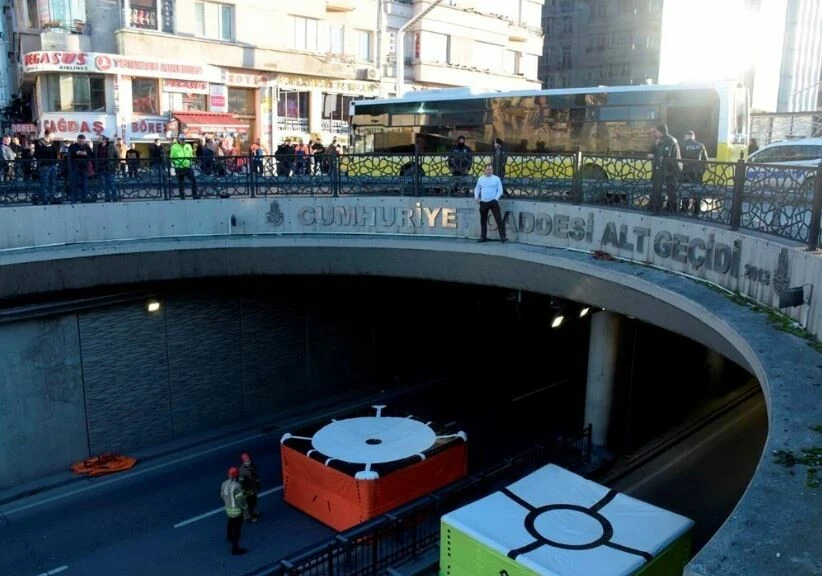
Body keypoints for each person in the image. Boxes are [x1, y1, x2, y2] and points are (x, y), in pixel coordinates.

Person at [474, 164, 507, 243]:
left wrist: (496, 199)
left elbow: (500, 190)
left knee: (498, 219)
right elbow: (477, 189)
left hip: (493, 202)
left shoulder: (496, 179)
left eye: (491, 169)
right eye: (488, 169)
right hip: (483, 202)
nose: (490, 171)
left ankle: (503, 237)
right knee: (483, 220)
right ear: (484, 170)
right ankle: (483, 237)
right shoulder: (481, 179)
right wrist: (476, 197)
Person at [221, 467, 248, 555]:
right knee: (237, 530)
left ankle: (229, 537)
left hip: (228, 509)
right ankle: (235, 549)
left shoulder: (224, 484)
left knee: (230, 523)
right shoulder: (237, 486)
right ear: (236, 476)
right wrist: (245, 508)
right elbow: (240, 500)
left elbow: (222, 495)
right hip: (236, 511)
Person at [170, 133, 198, 199]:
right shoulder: (174, 146)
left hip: (188, 166)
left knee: (193, 180)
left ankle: (195, 195)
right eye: (181, 139)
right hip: (179, 167)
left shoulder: (188, 146)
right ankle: (182, 196)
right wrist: (174, 164)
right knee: (181, 182)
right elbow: (171, 157)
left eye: (184, 139)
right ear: (178, 139)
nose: (183, 140)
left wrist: (191, 161)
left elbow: (191, 155)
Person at [34, 130, 59, 204]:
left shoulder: (51, 143)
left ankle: (52, 197)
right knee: (45, 182)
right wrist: (43, 163)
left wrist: (56, 162)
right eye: (53, 134)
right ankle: (44, 198)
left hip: (52, 164)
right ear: (48, 134)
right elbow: (37, 154)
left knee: (53, 182)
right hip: (45, 165)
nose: (54, 136)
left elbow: (54, 153)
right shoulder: (40, 142)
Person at [239, 452, 261, 522]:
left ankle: (253, 512)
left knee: (254, 501)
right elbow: (241, 483)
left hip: (253, 488)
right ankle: (251, 516)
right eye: (246, 461)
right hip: (248, 491)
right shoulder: (242, 471)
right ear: (243, 462)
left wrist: (258, 484)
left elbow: (256, 476)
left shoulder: (253, 465)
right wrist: (245, 492)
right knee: (250, 504)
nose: (248, 462)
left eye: (248, 461)